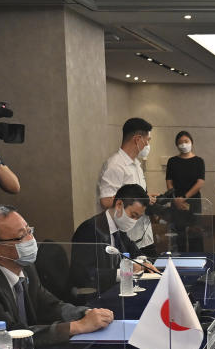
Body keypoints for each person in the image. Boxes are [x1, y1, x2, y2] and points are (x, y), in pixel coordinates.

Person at [0, 206, 114, 349]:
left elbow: (50, 306)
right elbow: (12, 335)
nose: (31, 240)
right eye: (21, 236)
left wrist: (86, 313)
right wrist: (77, 326)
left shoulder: (25, 266)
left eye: (30, 231)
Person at [70, 184, 158, 294]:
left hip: (116, 290)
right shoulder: (89, 230)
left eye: (137, 218)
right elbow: (83, 275)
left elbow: (136, 253)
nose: (134, 221)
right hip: (94, 296)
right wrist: (123, 272)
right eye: (133, 215)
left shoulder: (119, 230)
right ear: (119, 204)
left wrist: (143, 262)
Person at [97, 117, 156, 257]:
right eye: (147, 140)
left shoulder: (136, 164)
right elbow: (105, 201)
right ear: (137, 139)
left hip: (145, 236)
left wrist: (145, 199)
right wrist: (135, 200)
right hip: (128, 238)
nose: (147, 145)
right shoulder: (115, 165)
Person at [165, 131, 205, 252]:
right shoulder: (172, 161)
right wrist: (176, 198)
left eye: (186, 141)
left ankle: (196, 258)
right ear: (176, 145)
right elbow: (169, 181)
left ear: (191, 142)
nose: (183, 144)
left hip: (194, 201)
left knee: (195, 232)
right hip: (176, 201)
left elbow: (200, 182)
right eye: (180, 142)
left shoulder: (199, 161)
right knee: (178, 233)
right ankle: (179, 258)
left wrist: (184, 197)